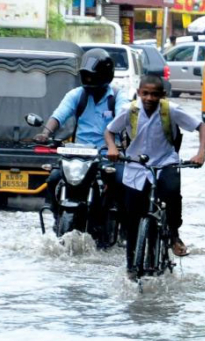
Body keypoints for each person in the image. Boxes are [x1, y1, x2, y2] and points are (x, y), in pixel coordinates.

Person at [104, 75, 205, 274]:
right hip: (136, 166)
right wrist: (112, 148)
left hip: (164, 163)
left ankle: (173, 234)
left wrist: (201, 153)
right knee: (132, 217)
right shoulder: (129, 111)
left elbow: (203, 126)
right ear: (139, 93)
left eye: (154, 94)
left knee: (171, 191)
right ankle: (131, 267)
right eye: (145, 93)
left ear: (162, 95)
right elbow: (109, 131)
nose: (149, 98)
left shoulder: (171, 110)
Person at [33, 48, 130, 225]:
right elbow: (59, 115)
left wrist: (121, 143)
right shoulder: (77, 95)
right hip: (78, 156)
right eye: (86, 75)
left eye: (93, 75)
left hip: (108, 156)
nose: (89, 80)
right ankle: (57, 217)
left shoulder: (117, 96)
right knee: (54, 179)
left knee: (123, 182)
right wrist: (46, 133)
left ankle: (123, 226)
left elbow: (123, 117)